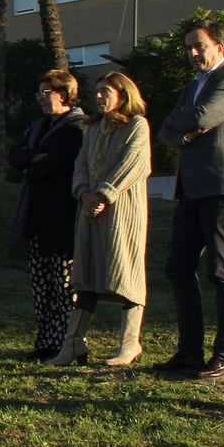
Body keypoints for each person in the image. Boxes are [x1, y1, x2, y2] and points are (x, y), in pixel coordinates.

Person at [155, 19, 224, 378]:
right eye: (189, 48)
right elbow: (165, 130)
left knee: (223, 270)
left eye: (200, 46)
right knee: (178, 267)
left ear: (220, 48)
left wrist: (187, 119)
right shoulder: (191, 86)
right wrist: (185, 133)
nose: (194, 54)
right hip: (190, 192)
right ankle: (189, 353)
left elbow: (203, 115)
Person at [53, 72, 152, 366]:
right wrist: (84, 194)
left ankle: (130, 344)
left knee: (126, 274)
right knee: (84, 275)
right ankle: (73, 345)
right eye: (97, 91)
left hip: (122, 213)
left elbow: (134, 164)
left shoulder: (137, 125)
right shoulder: (92, 128)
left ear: (123, 94)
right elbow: (80, 164)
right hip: (89, 212)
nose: (99, 97)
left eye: (105, 91)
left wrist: (105, 195)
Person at [9, 69, 88, 360]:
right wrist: (33, 159)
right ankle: (45, 341)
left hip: (63, 215)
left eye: (47, 93)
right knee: (42, 284)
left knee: (63, 283)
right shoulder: (38, 126)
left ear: (64, 94)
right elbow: (15, 155)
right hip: (36, 215)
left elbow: (58, 163)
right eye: (39, 93)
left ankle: (67, 343)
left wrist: (34, 162)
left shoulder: (78, 127)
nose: (41, 99)